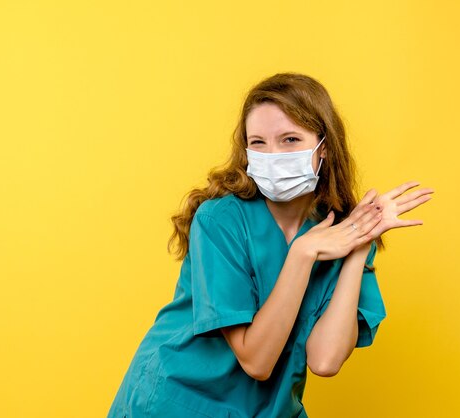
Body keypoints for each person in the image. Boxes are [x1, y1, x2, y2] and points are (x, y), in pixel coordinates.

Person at [107, 72, 434, 418]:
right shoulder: (220, 220)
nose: (273, 155)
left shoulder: (341, 232)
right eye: (258, 143)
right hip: (178, 402)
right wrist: (303, 253)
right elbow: (258, 362)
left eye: (290, 139)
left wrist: (358, 247)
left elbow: (325, 360)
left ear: (324, 148)